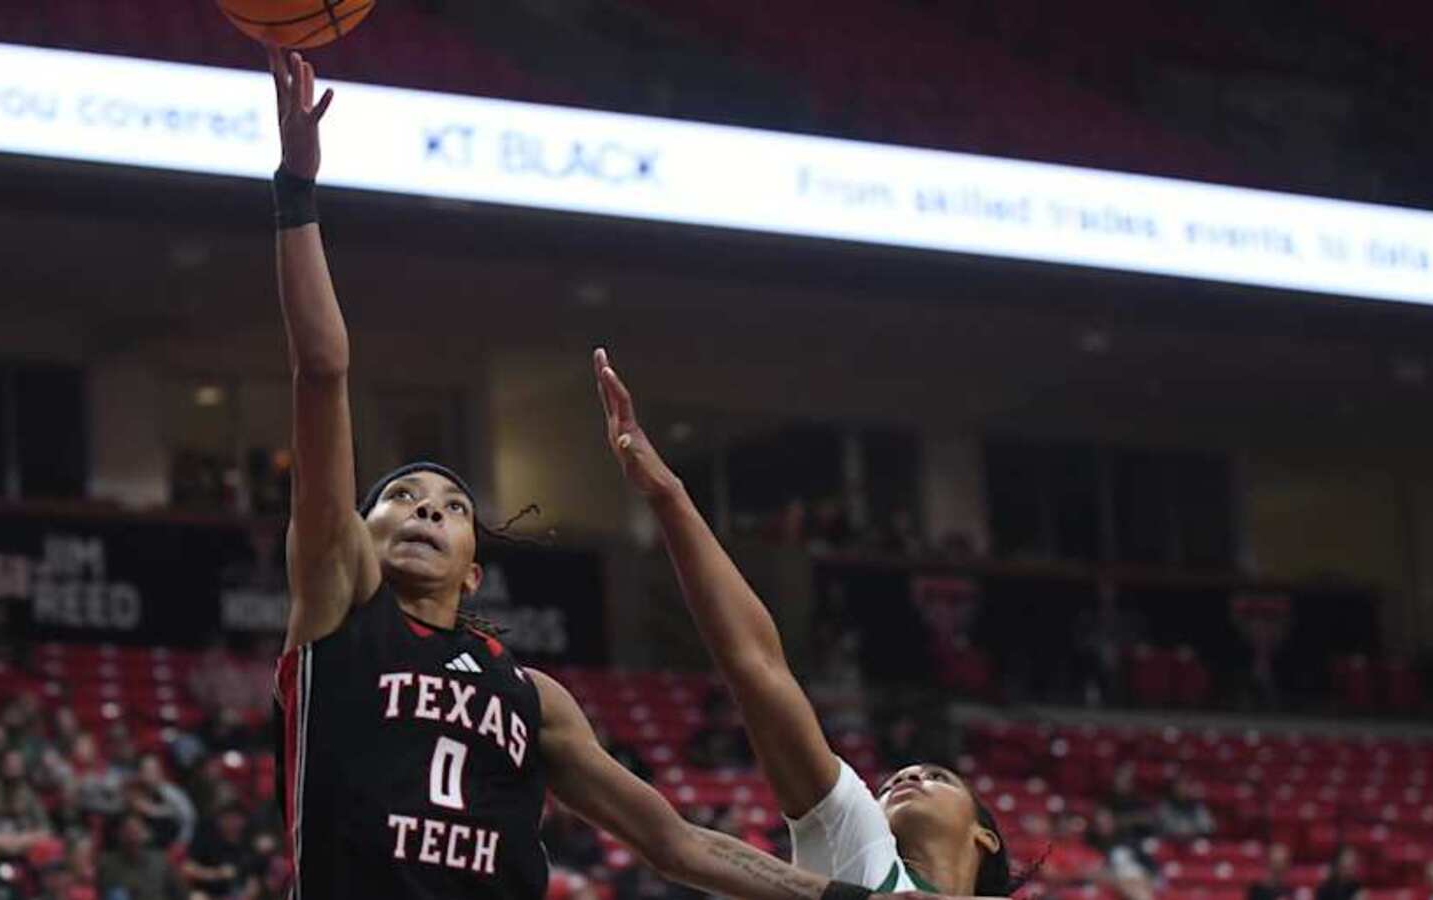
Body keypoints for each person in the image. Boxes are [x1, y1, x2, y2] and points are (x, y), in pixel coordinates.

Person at [262, 48, 967, 900]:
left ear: (474, 571)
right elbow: (322, 371)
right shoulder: (338, 609)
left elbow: (677, 843)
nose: (426, 511)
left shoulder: (533, 697)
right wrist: (295, 192)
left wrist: (843, 899)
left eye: (452, 506)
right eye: (401, 497)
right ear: (357, 535)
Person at [592, 348, 1027, 895]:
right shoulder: (860, 845)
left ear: (986, 837)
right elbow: (757, 666)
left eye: (937, 778)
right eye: (893, 782)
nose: (909, 776)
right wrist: (669, 495)